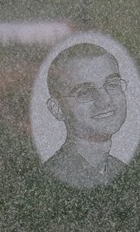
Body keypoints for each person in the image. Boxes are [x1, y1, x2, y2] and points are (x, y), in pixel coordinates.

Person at [44, 42, 130, 188]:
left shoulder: (119, 168)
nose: (106, 100)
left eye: (112, 84)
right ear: (57, 108)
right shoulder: (52, 175)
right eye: (85, 92)